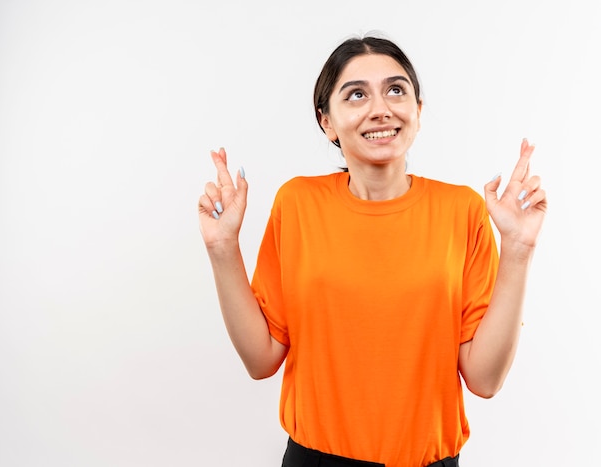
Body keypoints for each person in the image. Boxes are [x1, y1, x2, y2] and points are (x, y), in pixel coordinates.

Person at [198, 34, 547, 467]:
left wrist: (517, 248)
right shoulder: (298, 203)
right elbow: (260, 357)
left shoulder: (463, 210)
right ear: (326, 121)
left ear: (417, 112)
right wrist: (222, 247)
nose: (380, 108)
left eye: (396, 90)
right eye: (356, 94)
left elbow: (485, 378)